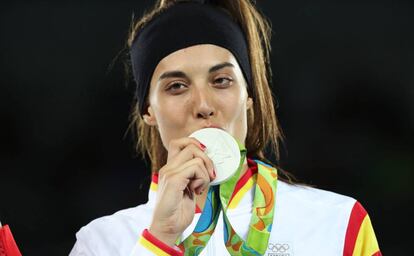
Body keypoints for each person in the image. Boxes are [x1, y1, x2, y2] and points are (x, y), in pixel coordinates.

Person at [70, 0, 381, 255]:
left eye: (221, 81)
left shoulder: (337, 224)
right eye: (177, 87)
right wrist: (161, 239)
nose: (204, 105)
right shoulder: (101, 243)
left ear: (248, 96)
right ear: (147, 111)